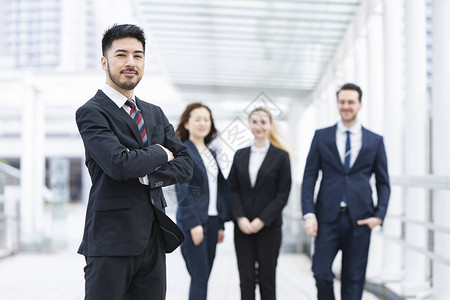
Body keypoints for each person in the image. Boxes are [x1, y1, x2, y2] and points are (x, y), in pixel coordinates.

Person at [75, 24, 193, 300]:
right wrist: (162, 152)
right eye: (121, 55)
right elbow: (119, 164)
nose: (131, 62)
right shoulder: (91, 112)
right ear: (104, 62)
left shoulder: (154, 112)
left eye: (138, 56)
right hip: (110, 240)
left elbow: (186, 165)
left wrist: (148, 174)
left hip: (153, 236)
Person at [301, 83, 390, 300]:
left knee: (354, 279)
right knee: (321, 272)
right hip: (326, 218)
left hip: (360, 220)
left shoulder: (374, 140)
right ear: (337, 104)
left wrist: (379, 216)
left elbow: (383, 182)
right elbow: (309, 177)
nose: (346, 106)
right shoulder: (322, 137)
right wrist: (309, 213)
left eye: (351, 102)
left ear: (359, 104)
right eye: (342, 102)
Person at [227, 107, 292, 300]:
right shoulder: (240, 155)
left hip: (269, 228)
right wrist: (240, 218)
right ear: (249, 124)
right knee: (246, 280)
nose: (259, 126)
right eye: (255, 121)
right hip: (243, 228)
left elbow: (283, 193)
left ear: (271, 125)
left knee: (267, 279)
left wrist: (261, 220)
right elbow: (232, 189)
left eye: (263, 121)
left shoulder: (281, 157)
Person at [174, 103, 232, 300]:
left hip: (213, 221)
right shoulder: (183, 151)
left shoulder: (212, 153)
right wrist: (193, 224)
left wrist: (221, 224)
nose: (203, 123)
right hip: (194, 223)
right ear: (187, 124)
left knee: (204, 277)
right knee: (199, 278)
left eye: (206, 119)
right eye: (197, 119)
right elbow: (182, 190)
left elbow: (218, 191)